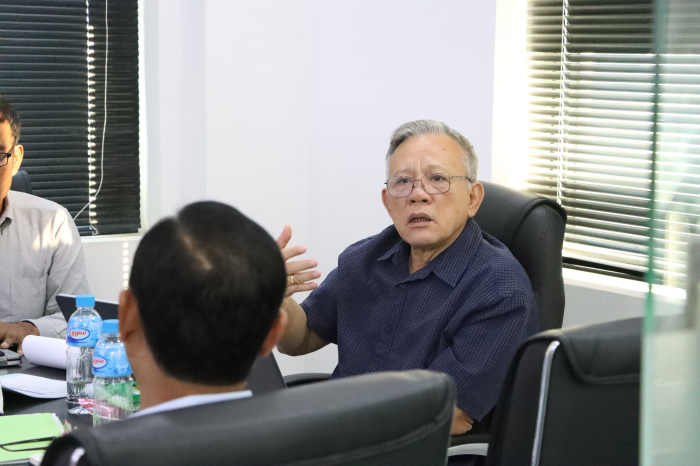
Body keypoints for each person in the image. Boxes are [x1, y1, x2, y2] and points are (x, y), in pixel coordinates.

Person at [277, 120, 539, 438]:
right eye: (403, 181)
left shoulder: (500, 291)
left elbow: (448, 414)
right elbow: (302, 338)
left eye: (437, 179)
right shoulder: (366, 258)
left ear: (472, 198)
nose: (418, 195)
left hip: (407, 447)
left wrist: (329, 424)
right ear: (388, 202)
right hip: (338, 433)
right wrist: (278, 299)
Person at [0, 95, 89, 351]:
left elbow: (77, 318)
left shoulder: (52, 223)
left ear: (16, 159)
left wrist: (28, 329)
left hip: (21, 367)